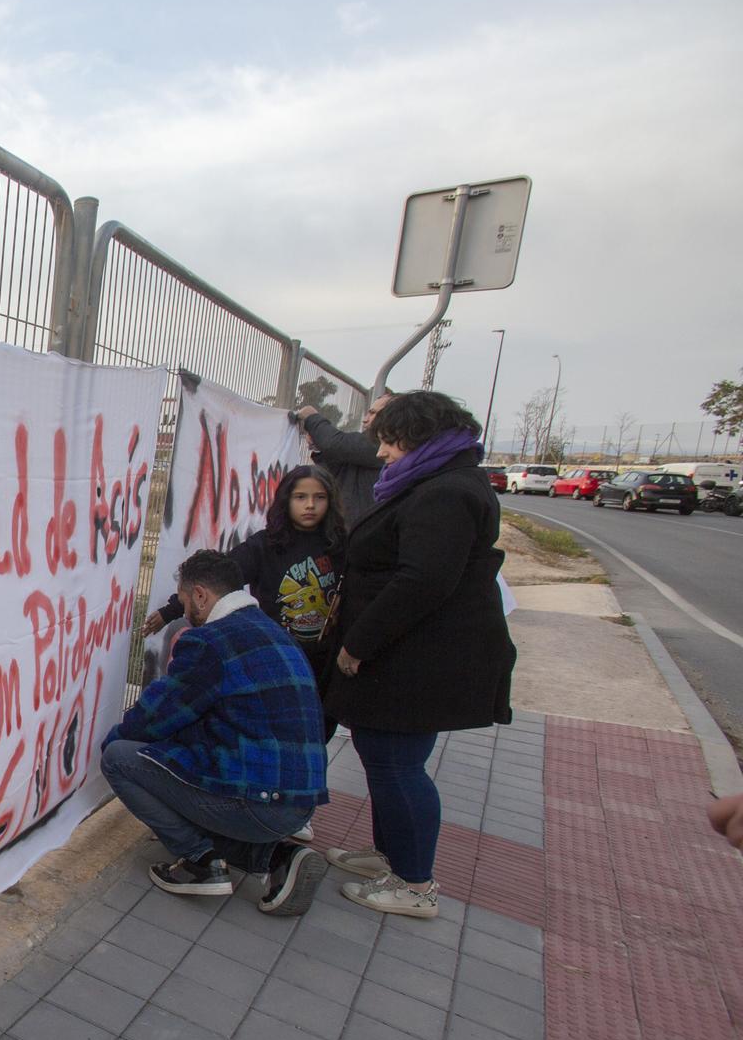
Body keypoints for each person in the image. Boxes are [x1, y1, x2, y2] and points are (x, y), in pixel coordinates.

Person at [322, 390, 516, 919]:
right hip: (411, 656)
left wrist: (359, 644)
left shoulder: (446, 494)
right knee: (385, 758)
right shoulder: (441, 484)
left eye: (389, 442)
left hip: (413, 660)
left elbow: (422, 580)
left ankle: (414, 884)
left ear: (418, 438)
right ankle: (391, 856)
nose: (382, 454)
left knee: (396, 765)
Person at [104, 549, 330, 915]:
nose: (185, 611)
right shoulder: (270, 629)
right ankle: (278, 857)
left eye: (181, 600)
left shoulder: (209, 642)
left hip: (260, 801)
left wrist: (112, 741)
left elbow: (155, 717)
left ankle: (199, 862)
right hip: (299, 801)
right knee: (178, 763)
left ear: (199, 595)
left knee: (120, 760)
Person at [144, 464, 347, 737]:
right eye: (300, 497)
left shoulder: (340, 545)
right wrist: (172, 610)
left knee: (317, 731)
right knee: (277, 730)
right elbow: (217, 577)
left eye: (319, 497)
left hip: (325, 661)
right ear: (286, 500)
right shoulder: (266, 545)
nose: (310, 505)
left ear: (330, 501)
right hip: (277, 656)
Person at [292, 390, 392, 524]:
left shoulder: (383, 443)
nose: (365, 419)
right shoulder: (368, 454)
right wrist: (320, 449)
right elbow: (340, 472)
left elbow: (334, 444)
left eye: (373, 413)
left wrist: (312, 417)